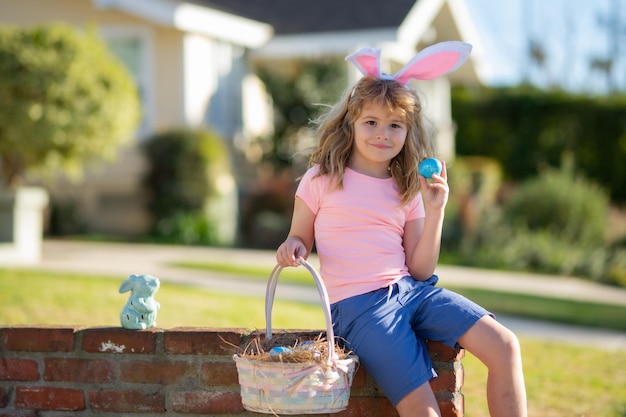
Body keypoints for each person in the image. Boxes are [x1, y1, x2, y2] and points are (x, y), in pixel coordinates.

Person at [275, 41, 527, 417]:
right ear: (351, 123)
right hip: (360, 309)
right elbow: (299, 237)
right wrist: (291, 247)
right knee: (424, 412)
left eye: (395, 125)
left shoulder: (406, 187)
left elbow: (421, 270)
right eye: (371, 123)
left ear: (408, 132)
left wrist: (435, 209)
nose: (383, 134)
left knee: (505, 345)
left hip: (412, 293)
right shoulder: (321, 179)